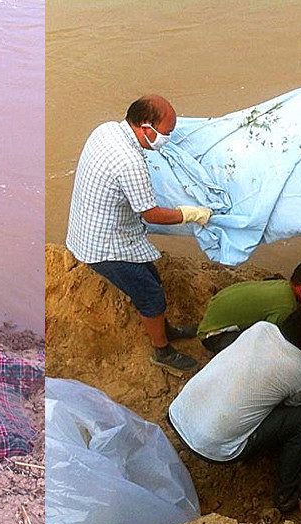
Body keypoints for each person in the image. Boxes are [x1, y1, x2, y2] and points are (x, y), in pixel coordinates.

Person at [65, 95, 213, 375]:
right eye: (166, 133)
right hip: (102, 245)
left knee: (152, 276)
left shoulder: (107, 129)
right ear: (146, 127)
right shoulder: (130, 162)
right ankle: (162, 351)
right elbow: (151, 214)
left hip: (90, 225)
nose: (167, 139)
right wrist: (191, 214)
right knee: (151, 296)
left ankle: (165, 328)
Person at [168, 307, 301, 511]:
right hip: (214, 446)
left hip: (179, 412)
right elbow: (291, 407)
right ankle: (285, 494)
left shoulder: (261, 328)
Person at [197, 258, 301, 353]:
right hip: (213, 337)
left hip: (215, 310)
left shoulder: (281, 285)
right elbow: (267, 338)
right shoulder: (286, 308)